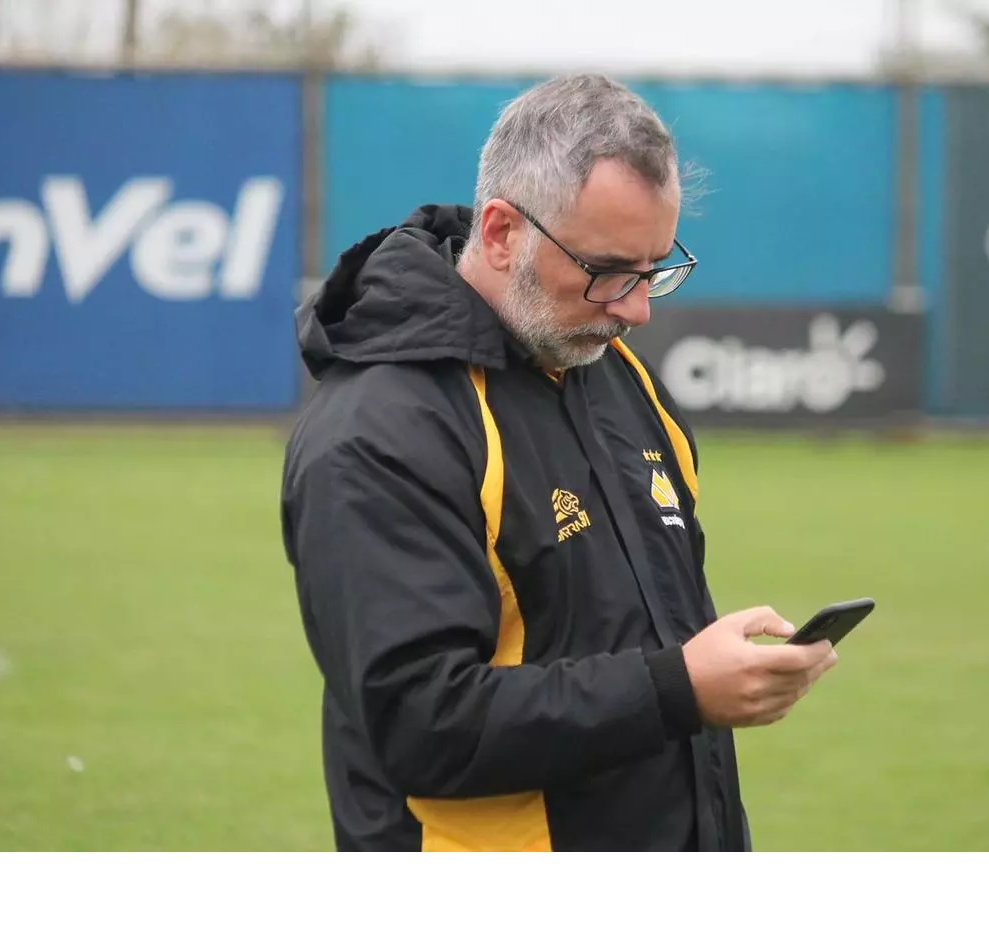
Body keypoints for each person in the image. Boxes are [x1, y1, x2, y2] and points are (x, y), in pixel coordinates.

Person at [280, 73, 839, 852]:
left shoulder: (619, 374)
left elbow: (639, 647)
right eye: (608, 270)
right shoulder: (381, 428)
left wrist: (711, 675)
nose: (636, 309)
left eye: (655, 269)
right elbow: (419, 723)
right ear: (504, 232)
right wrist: (679, 687)